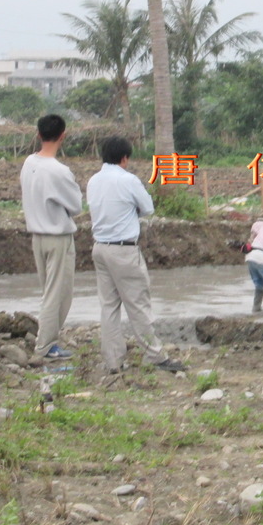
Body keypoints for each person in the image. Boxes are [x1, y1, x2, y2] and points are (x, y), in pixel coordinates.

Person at [87, 136, 187, 374]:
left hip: (100, 248)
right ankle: (155, 356)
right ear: (125, 158)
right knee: (138, 304)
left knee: (109, 306)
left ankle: (113, 362)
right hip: (123, 249)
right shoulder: (128, 180)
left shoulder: (93, 180)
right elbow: (148, 208)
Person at [20, 114, 83, 360]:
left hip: (37, 235)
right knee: (57, 293)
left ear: (38, 135)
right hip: (57, 237)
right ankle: (45, 345)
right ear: (63, 136)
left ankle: (46, 341)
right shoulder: (59, 170)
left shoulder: (29, 163)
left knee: (49, 290)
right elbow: (76, 206)